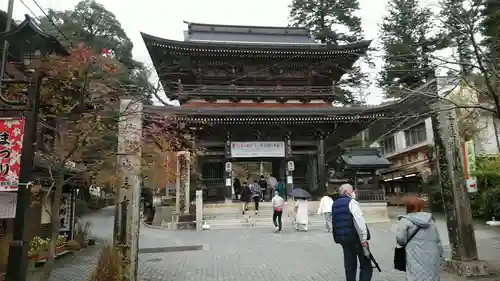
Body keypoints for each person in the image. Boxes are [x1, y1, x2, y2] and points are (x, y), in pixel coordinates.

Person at [396, 196, 444, 281]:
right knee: (431, 276)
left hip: (414, 254)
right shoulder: (430, 220)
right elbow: (437, 240)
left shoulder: (405, 221)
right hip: (432, 255)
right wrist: (441, 256)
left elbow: (401, 240)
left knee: (415, 276)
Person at [331, 183, 372, 281]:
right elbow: (359, 221)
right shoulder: (352, 202)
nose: (353, 193)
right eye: (352, 191)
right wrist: (364, 239)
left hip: (343, 239)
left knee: (349, 266)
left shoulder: (334, 204)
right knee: (366, 265)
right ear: (346, 192)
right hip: (356, 238)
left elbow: (334, 222)